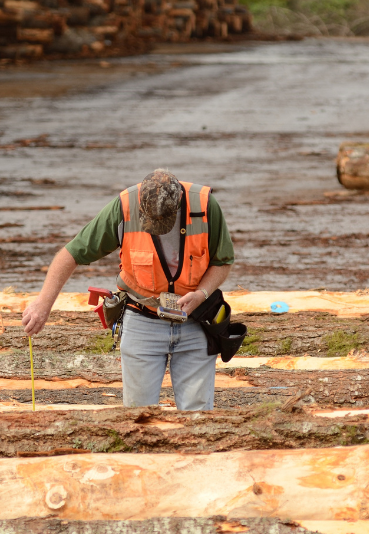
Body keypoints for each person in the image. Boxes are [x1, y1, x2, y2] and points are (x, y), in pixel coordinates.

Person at [21, 169, 234, 410]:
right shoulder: (124, 206)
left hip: (195, 322)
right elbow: (70, 254)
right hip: (142, 321)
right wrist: (42, 304)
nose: (155, 229)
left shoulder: (205, 207)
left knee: (198, 417)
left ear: (179, 206)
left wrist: (201, 294)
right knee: (137, 417)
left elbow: (222, 261)